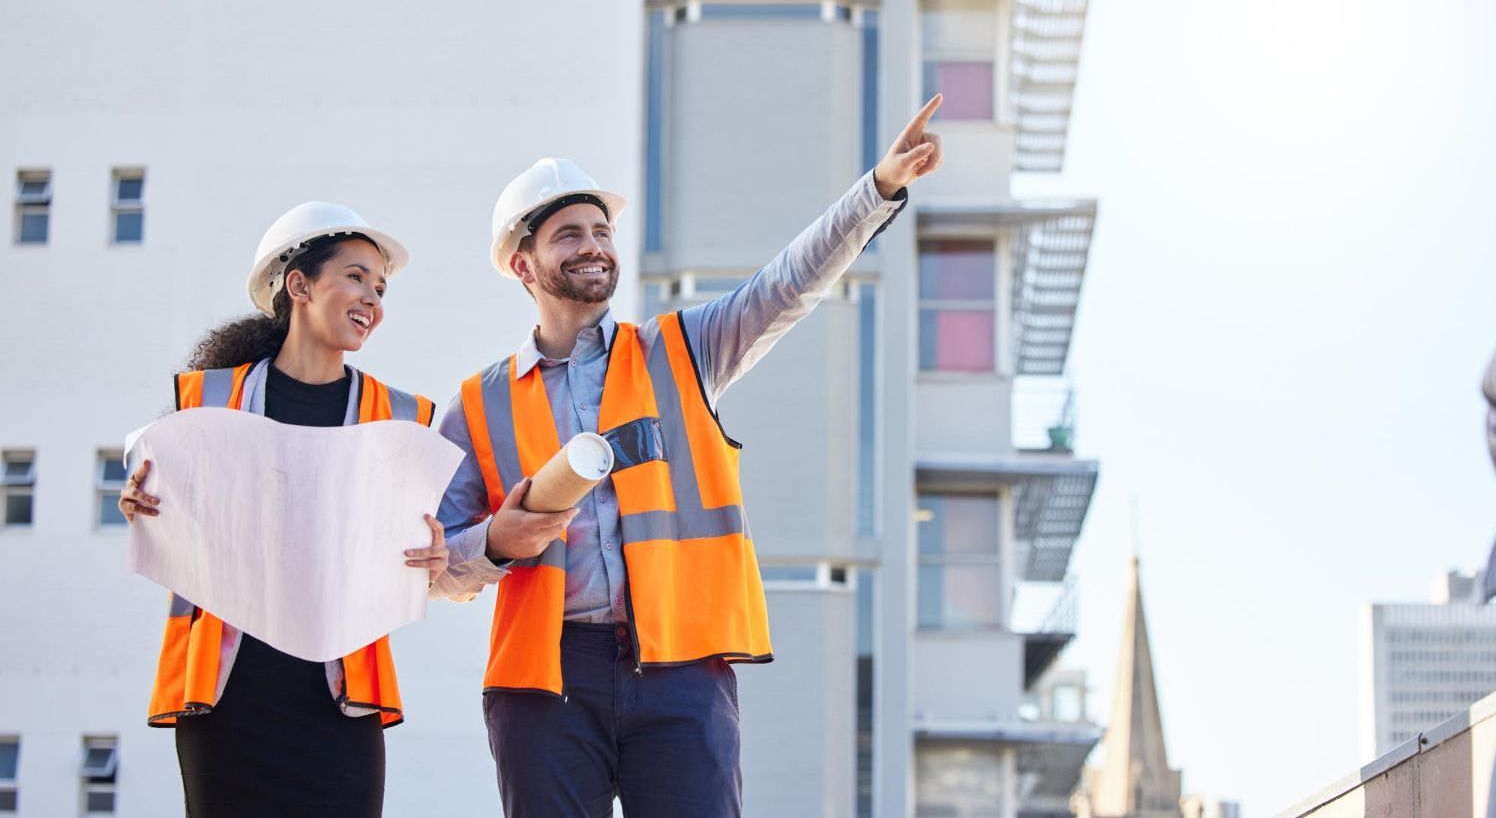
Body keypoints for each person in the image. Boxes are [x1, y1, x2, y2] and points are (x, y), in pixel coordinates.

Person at [430, 96, 944, 816]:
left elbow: (786, 285)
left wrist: (878, 189)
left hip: (680, 668)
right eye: (568, 234)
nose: (593, 245)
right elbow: (433, 566)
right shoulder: (475, 405)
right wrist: (492, 542)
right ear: (523, 264)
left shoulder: (682, 351)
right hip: (546, 681)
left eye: (602, 231)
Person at [116, 202, 450, 818]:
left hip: (339, 699)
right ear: (298, 285)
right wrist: (138, 502)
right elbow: (169, 509)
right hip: (229, 693)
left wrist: (433, 556)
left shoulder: (402, 419)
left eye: (380, 288)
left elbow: (416, 548)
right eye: (355, 276)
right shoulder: (212, 399)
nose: (372, 299)